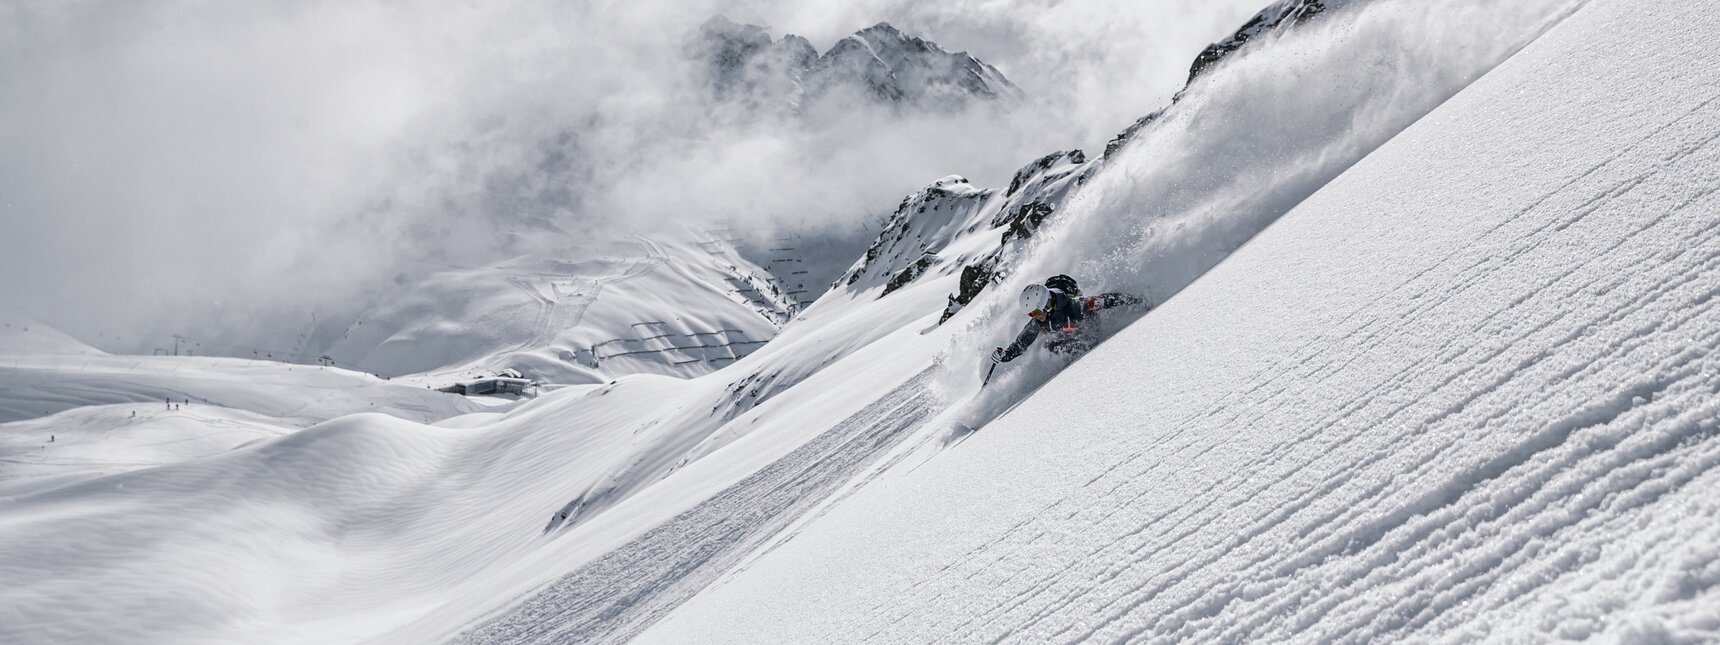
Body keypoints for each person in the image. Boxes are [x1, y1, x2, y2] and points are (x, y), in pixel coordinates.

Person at [993, 274, 1147, 364]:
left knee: (1061, 344)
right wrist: (1006, 355)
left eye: (1036, 312)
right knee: (1049, 348)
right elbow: (1023, 341)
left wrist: (1137, 301)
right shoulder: (1039, 320)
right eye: (1031, 314)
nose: (1035, 317)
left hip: (1088, 332)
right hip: (1069, 335)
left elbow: (1107, 300)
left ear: (1046, 303)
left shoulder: (1075, 307)